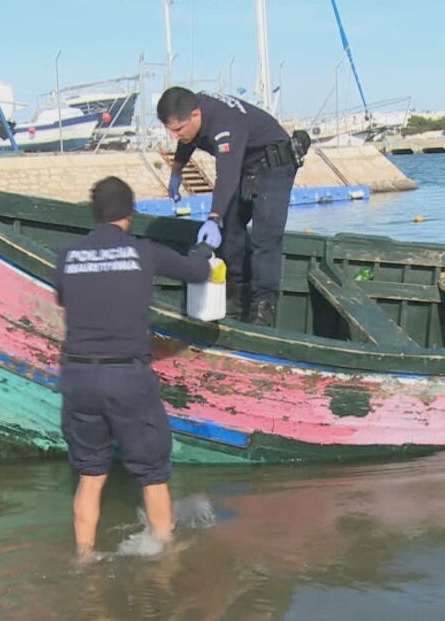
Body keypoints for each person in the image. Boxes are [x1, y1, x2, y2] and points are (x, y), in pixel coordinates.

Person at [54, 176, 211, 559]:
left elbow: (65, 298)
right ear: (132, 214)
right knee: (153, 475)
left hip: (77, 375)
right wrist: (205, 250)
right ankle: (165, 559)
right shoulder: (145, 252)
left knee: (90, 477)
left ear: (94, 214)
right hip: (126, 376)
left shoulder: (67, 256)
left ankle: (84, 560)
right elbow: (198, 272)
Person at [157, 86, 304, 326]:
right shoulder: (191, 114)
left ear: (195, 114)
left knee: (265, 237)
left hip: (275, 164)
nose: (173, 136)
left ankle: (263, 309)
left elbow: (226, 176)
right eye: (169, 130)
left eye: (177, 129)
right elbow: (188, 139)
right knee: (231, 231)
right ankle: (235, 301)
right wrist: (176, 169)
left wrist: (213, 218)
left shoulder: (225, 125)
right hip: (246, 164)